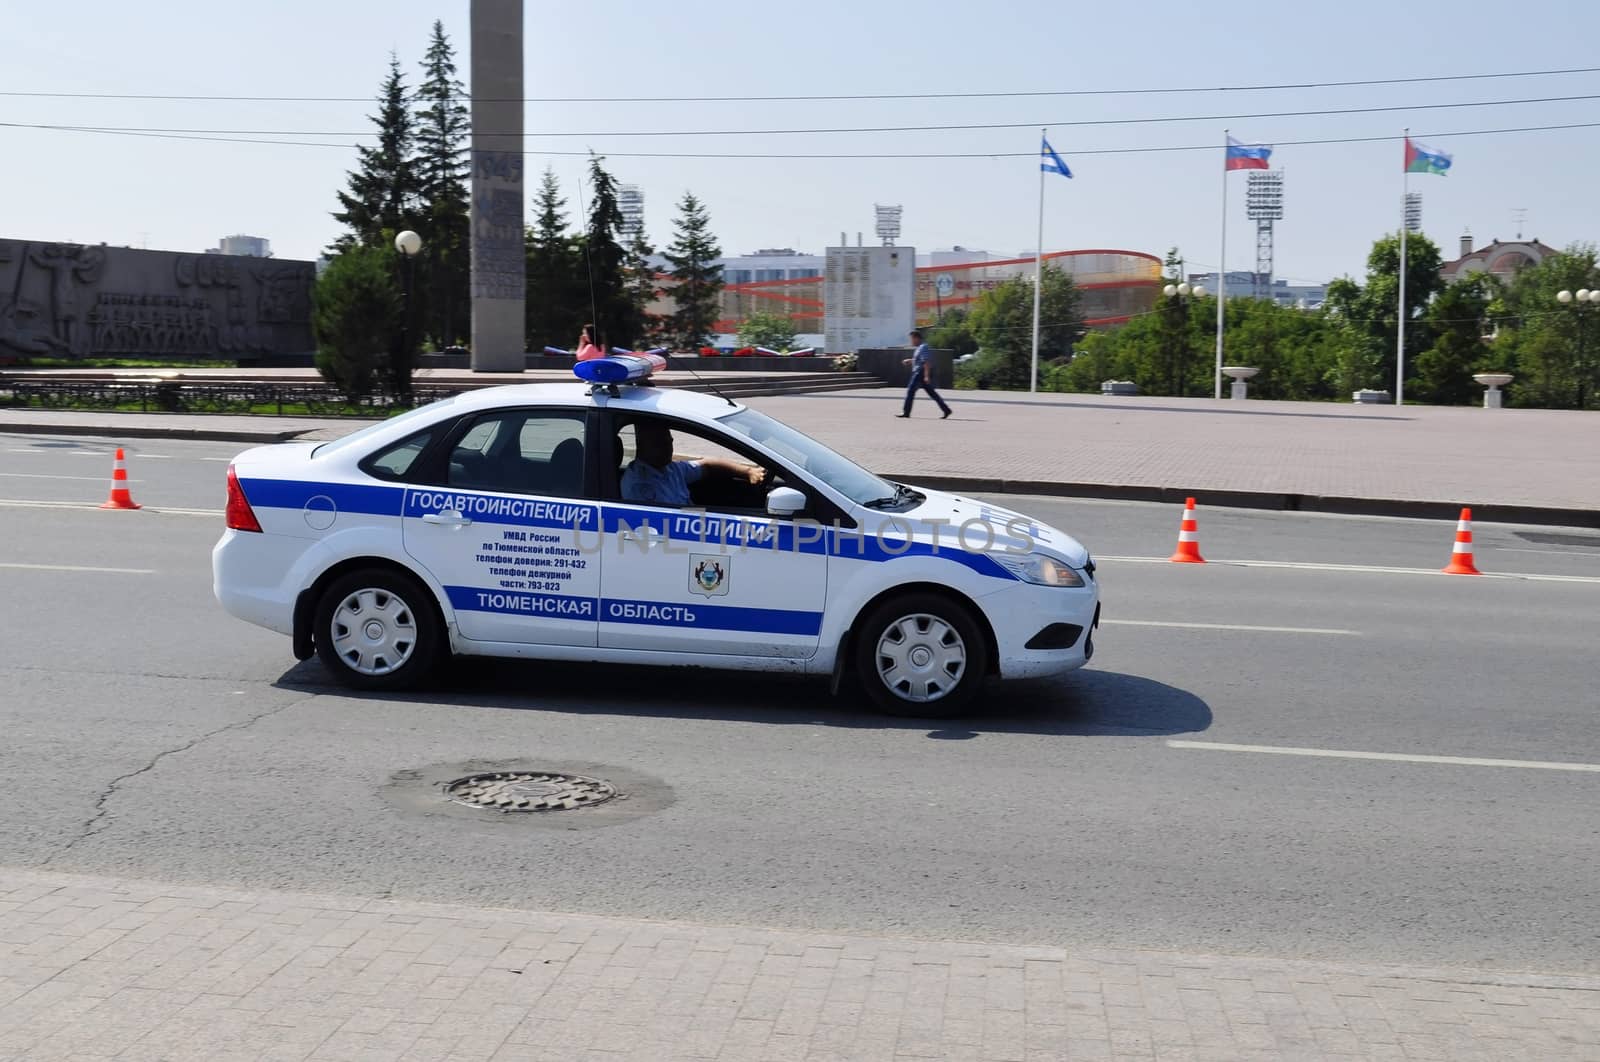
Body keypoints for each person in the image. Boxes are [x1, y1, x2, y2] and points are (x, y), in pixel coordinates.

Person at [620, 420, 766, 506]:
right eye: (660, 444)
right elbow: (660, 524)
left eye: (669, 442)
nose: (668, 448)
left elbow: (707, 465)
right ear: (642, 445)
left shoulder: (671, 469)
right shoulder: (639, 484)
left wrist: (747, 472)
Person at [898, 329, 952, 418]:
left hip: (920, 373)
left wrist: (926, 376)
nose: (911, 341)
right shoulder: (919, 348)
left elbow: (926, 361)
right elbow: (919, 360)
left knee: (910, 391)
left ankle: (906, 412)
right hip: (920, 372)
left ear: (916, 338)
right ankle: (946, 410)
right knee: (932, 393)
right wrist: (910, 361)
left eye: (912, 339)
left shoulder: (923, 347)